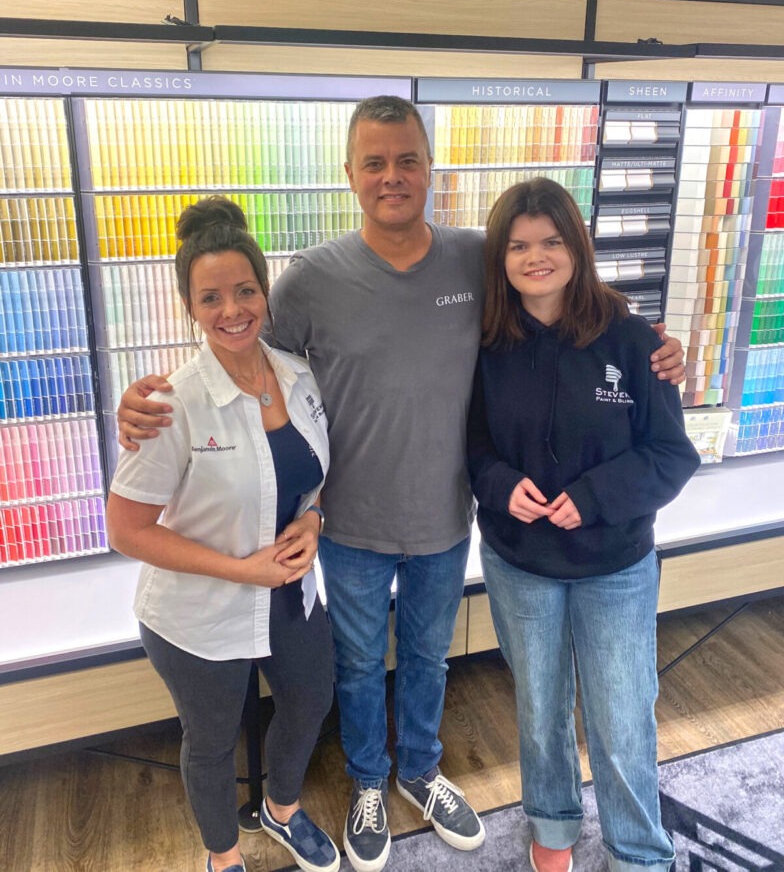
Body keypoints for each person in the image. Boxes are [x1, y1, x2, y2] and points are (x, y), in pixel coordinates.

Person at [116, 97, 686, 872]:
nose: (393, 176)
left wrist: (651, 341)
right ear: (349, 174)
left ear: (429, 168)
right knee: (355, 665)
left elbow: (558, 281)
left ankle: (420, 768)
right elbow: (244, 359)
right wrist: (142, 402)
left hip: (448, 517)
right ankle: (367, 785)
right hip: (346, 524)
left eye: (407, 159)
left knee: (426, 658)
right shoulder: (310, 279)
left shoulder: (473, 257)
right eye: (375, 162)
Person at [467, 178, 700, 872]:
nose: (536, 257)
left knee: (622, 715)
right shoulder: (487, 342)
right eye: (518, 245)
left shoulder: (634, 340)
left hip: (616, 565)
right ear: (500, 258)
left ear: (578, 246)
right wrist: (502, 487)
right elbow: (473, 446)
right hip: (520, 562)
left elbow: (671, 453)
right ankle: (552, 822)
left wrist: (595, 496)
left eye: (551, 241)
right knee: (541, 709)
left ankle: (636, 849)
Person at [106, 196, 340, 872]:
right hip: (196, 611)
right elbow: (125, 528)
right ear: (191, 307)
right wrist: (243, 570)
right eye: (211, 297)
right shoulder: (168, 405)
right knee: (210, 741)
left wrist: (315, 518)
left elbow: (309, 472)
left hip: (291, 589)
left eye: (244, 291)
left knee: (309, 699)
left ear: (265, 293)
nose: (232, 309)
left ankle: (282, 810)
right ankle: (223, 856)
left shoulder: (298, 375)